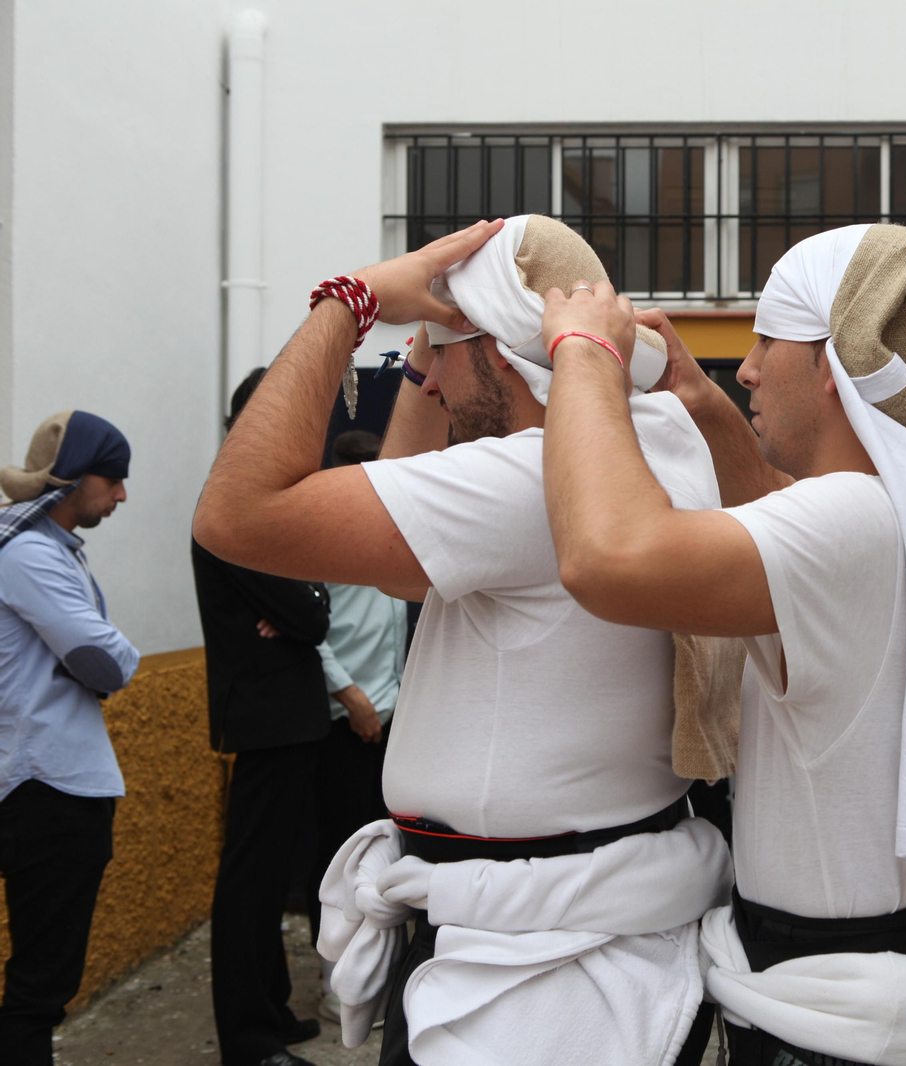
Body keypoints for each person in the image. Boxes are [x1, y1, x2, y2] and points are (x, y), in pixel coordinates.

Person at [192, 216, 732, 1066]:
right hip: (567, 921)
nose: (430, 383)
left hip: (525, 977)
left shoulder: (527, 478)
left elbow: (235, 515)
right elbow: (407, 579)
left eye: (440, 354)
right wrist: (428, 346)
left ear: (500, 351)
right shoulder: (643, 446)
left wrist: (350, 302)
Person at [537, 223, 906, 1066]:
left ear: (831, 365)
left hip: (831, 1008)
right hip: (899, 962)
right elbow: (783, 532)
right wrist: (705, 407)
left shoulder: (849, 519)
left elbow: (605, 557)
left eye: (765, 341)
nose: (743, 370)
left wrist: (583, 353)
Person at [193, 370, 332, 1066]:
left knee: (271, 875)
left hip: (286, 717)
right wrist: (303, 602)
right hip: (265, 717)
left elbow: (314, 601)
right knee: (250, 882)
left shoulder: (258, 503)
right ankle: (248, 1041)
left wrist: (305, 600)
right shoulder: (234, 506)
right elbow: (311, 614)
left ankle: (270, 1011)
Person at [0, 411, 138, 1065]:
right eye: (113, 479)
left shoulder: (45, 550)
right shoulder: (28, 553)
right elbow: (103, 658)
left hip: (47, 783)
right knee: (40, 987)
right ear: (74, 479)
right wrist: (116, 656)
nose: (121, 495)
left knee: (41, 981)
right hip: (48, 788)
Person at [305, 430, 407, 1023]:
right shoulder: (326, 534)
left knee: (385, 854)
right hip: (345, 720)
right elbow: (314, 633)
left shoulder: (395, 532)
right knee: (337, 857)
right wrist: (350, 694)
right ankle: (335, 981)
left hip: (391, 717)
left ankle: (377, 975)